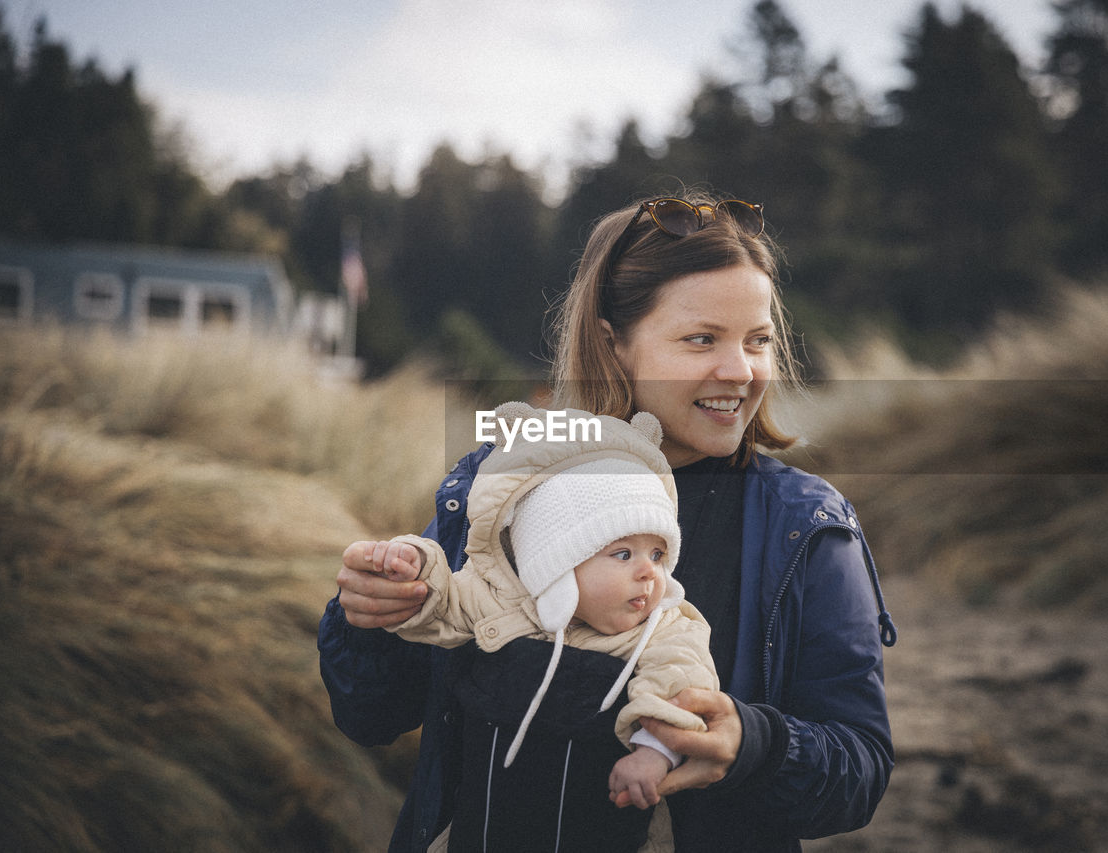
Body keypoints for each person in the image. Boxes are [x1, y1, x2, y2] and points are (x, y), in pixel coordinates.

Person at [319, 192, 897, 853]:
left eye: (757, 340)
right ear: (611, 342)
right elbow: (371, 713)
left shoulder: (807, 527)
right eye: (701, 339)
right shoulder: (504, 485)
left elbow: (860, 771)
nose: (739, 370)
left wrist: (752, 741)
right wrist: (368, 616)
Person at [344, 402, 718, 851]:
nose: (649, 573)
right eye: (624, 554)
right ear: (555, 559)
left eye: (657, 554)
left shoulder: (665, 628)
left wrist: (655, 753)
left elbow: (683, 682)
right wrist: (413, 567)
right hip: (485, 833)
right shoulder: (504, 602)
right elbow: (445, 602)